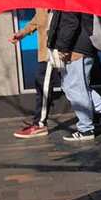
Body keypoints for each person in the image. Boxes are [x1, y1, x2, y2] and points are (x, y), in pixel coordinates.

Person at [47, 11, 101, 142]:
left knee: (74, 87)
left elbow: (70, 22)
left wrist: (63, 47)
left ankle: (86, 128)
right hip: (80, 45)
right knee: (72, 86)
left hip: (77, 47)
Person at [10, 9, 59, 139]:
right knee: (70, 86)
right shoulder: (42, 5)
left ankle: (40, 125)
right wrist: (22, 34)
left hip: (53, 54)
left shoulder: (55, 4)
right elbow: (38, 20)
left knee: (45, 87)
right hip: (46, 54)